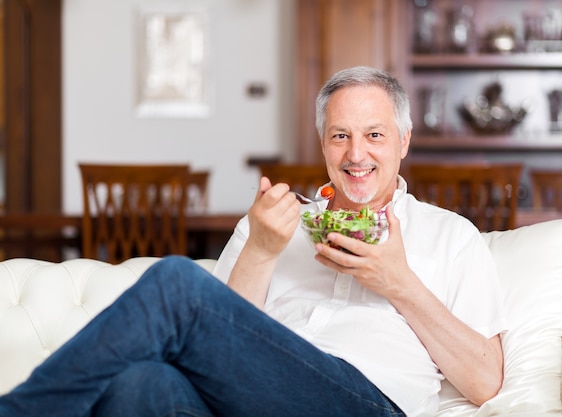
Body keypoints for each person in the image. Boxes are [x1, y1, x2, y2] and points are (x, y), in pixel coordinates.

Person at [0, 66, 505, 417]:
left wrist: (400, 284)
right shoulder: (273, 222)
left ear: (403, 140)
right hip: (257, 397)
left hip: (367, 402)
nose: (356, 154)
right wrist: (262, 249)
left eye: (374, 135)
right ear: (322, 144)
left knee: (178, 281)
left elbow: (485, 381)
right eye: (339, 135)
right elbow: (213, 340)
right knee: (141, 387)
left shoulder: (449, 235)